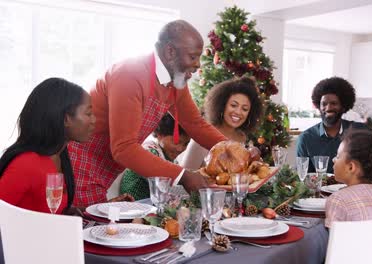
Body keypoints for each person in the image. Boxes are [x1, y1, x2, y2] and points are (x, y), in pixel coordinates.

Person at [68, 20, 227, 207]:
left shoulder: (175, 81)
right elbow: (124, 148)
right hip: (76, 166)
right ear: (170, 52)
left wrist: (233, 149)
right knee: (79, 231)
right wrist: (182, 176)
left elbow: (195, 124)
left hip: (103, 170)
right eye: (193, 57)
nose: (198, 64)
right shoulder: (129, 74)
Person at [0, 78, 95, 214]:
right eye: (88, 114)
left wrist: (96, 210)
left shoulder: (59, 155)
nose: (94, 120)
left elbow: (49, 211)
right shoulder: (27, 163)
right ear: (65, 119)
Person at [180, 76, 263, 170]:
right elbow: (184, 176)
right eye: (233, 105)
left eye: (244, 109)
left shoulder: (241, 137)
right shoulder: (203, 134)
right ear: (222, 105)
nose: (238, 112)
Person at [296, 77, 368, 173]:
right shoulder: (306, 138)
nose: (328, 108)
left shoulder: (359, 131)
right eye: (324, 104)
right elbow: (303, 175)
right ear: (318, 106)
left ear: (343, 106)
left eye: (334, 103)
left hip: (354, 187)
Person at [119, 114, 190, 200]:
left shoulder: (171, 159)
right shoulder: (150, 152)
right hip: (134, 205)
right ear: (160, 135)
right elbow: (163, 187)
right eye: (176, 142)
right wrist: (190, 183)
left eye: (186, 144)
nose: (180, 149)